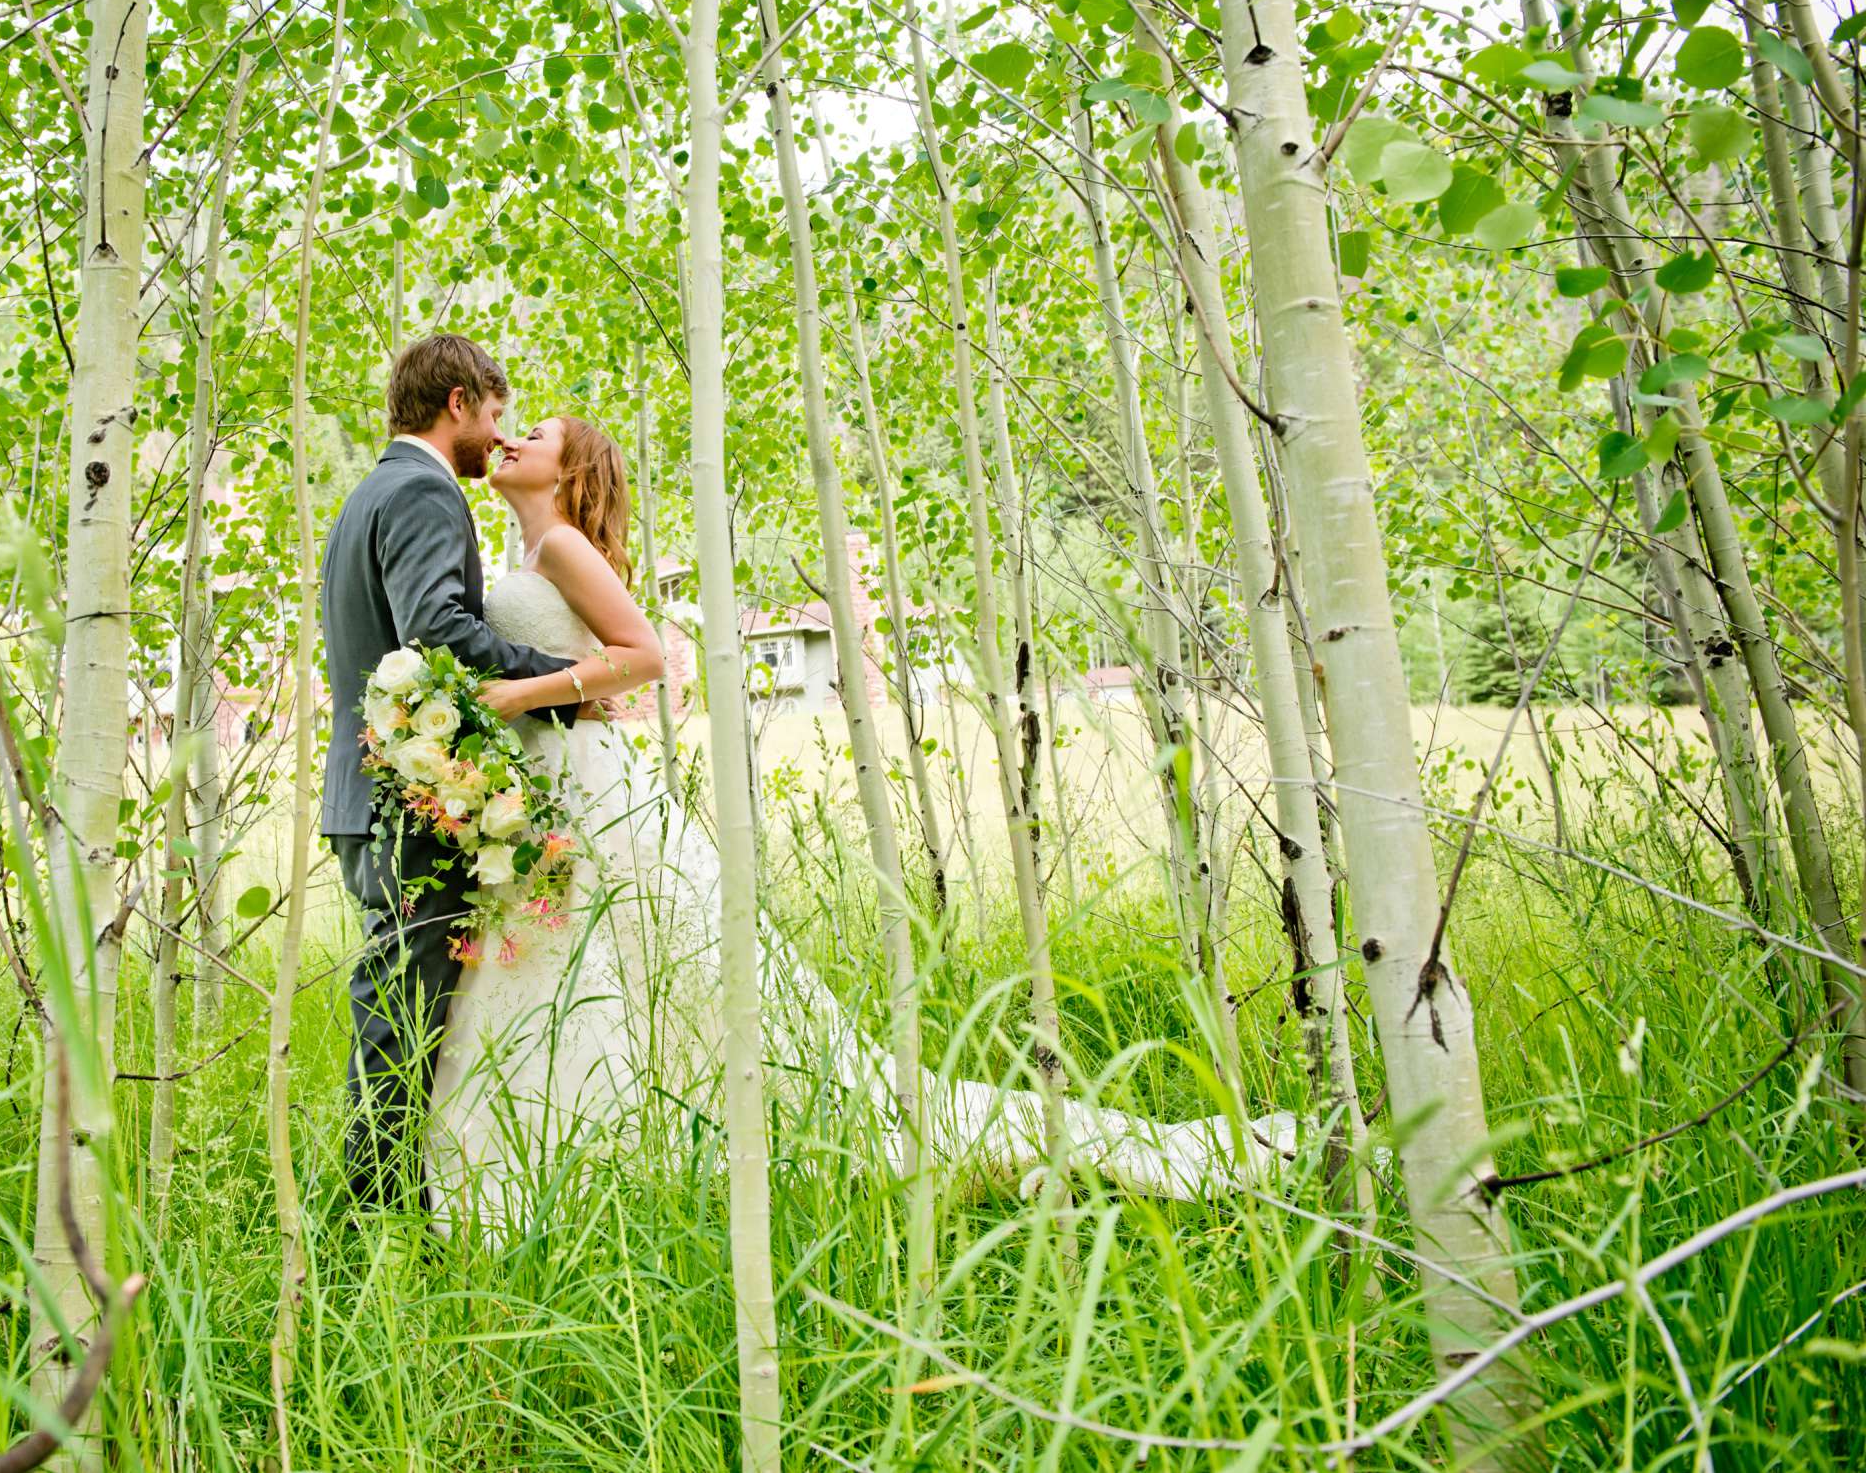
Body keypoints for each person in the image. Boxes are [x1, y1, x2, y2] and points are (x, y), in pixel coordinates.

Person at [422, 409, 1300, 1226]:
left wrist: (525, 692)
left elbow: (646, 656)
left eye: (532, 434)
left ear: (570, 470)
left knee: (652, 969)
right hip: (546, 792)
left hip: (591, 787)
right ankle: (567, 1154)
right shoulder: (526, 552)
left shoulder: (566, 546)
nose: (510, 442)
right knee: (571, 972)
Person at [317, 334, 582, 1211]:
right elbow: (439, 631)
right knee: (400, 1016)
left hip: (366, 795)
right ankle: (374, 1218)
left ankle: (396, 1209)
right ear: (460, 401)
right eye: (496, 414)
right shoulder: (428, 493)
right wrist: (559, 683)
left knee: (400, 1003)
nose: (498, 435)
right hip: (408, 804)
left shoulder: (369, 495)